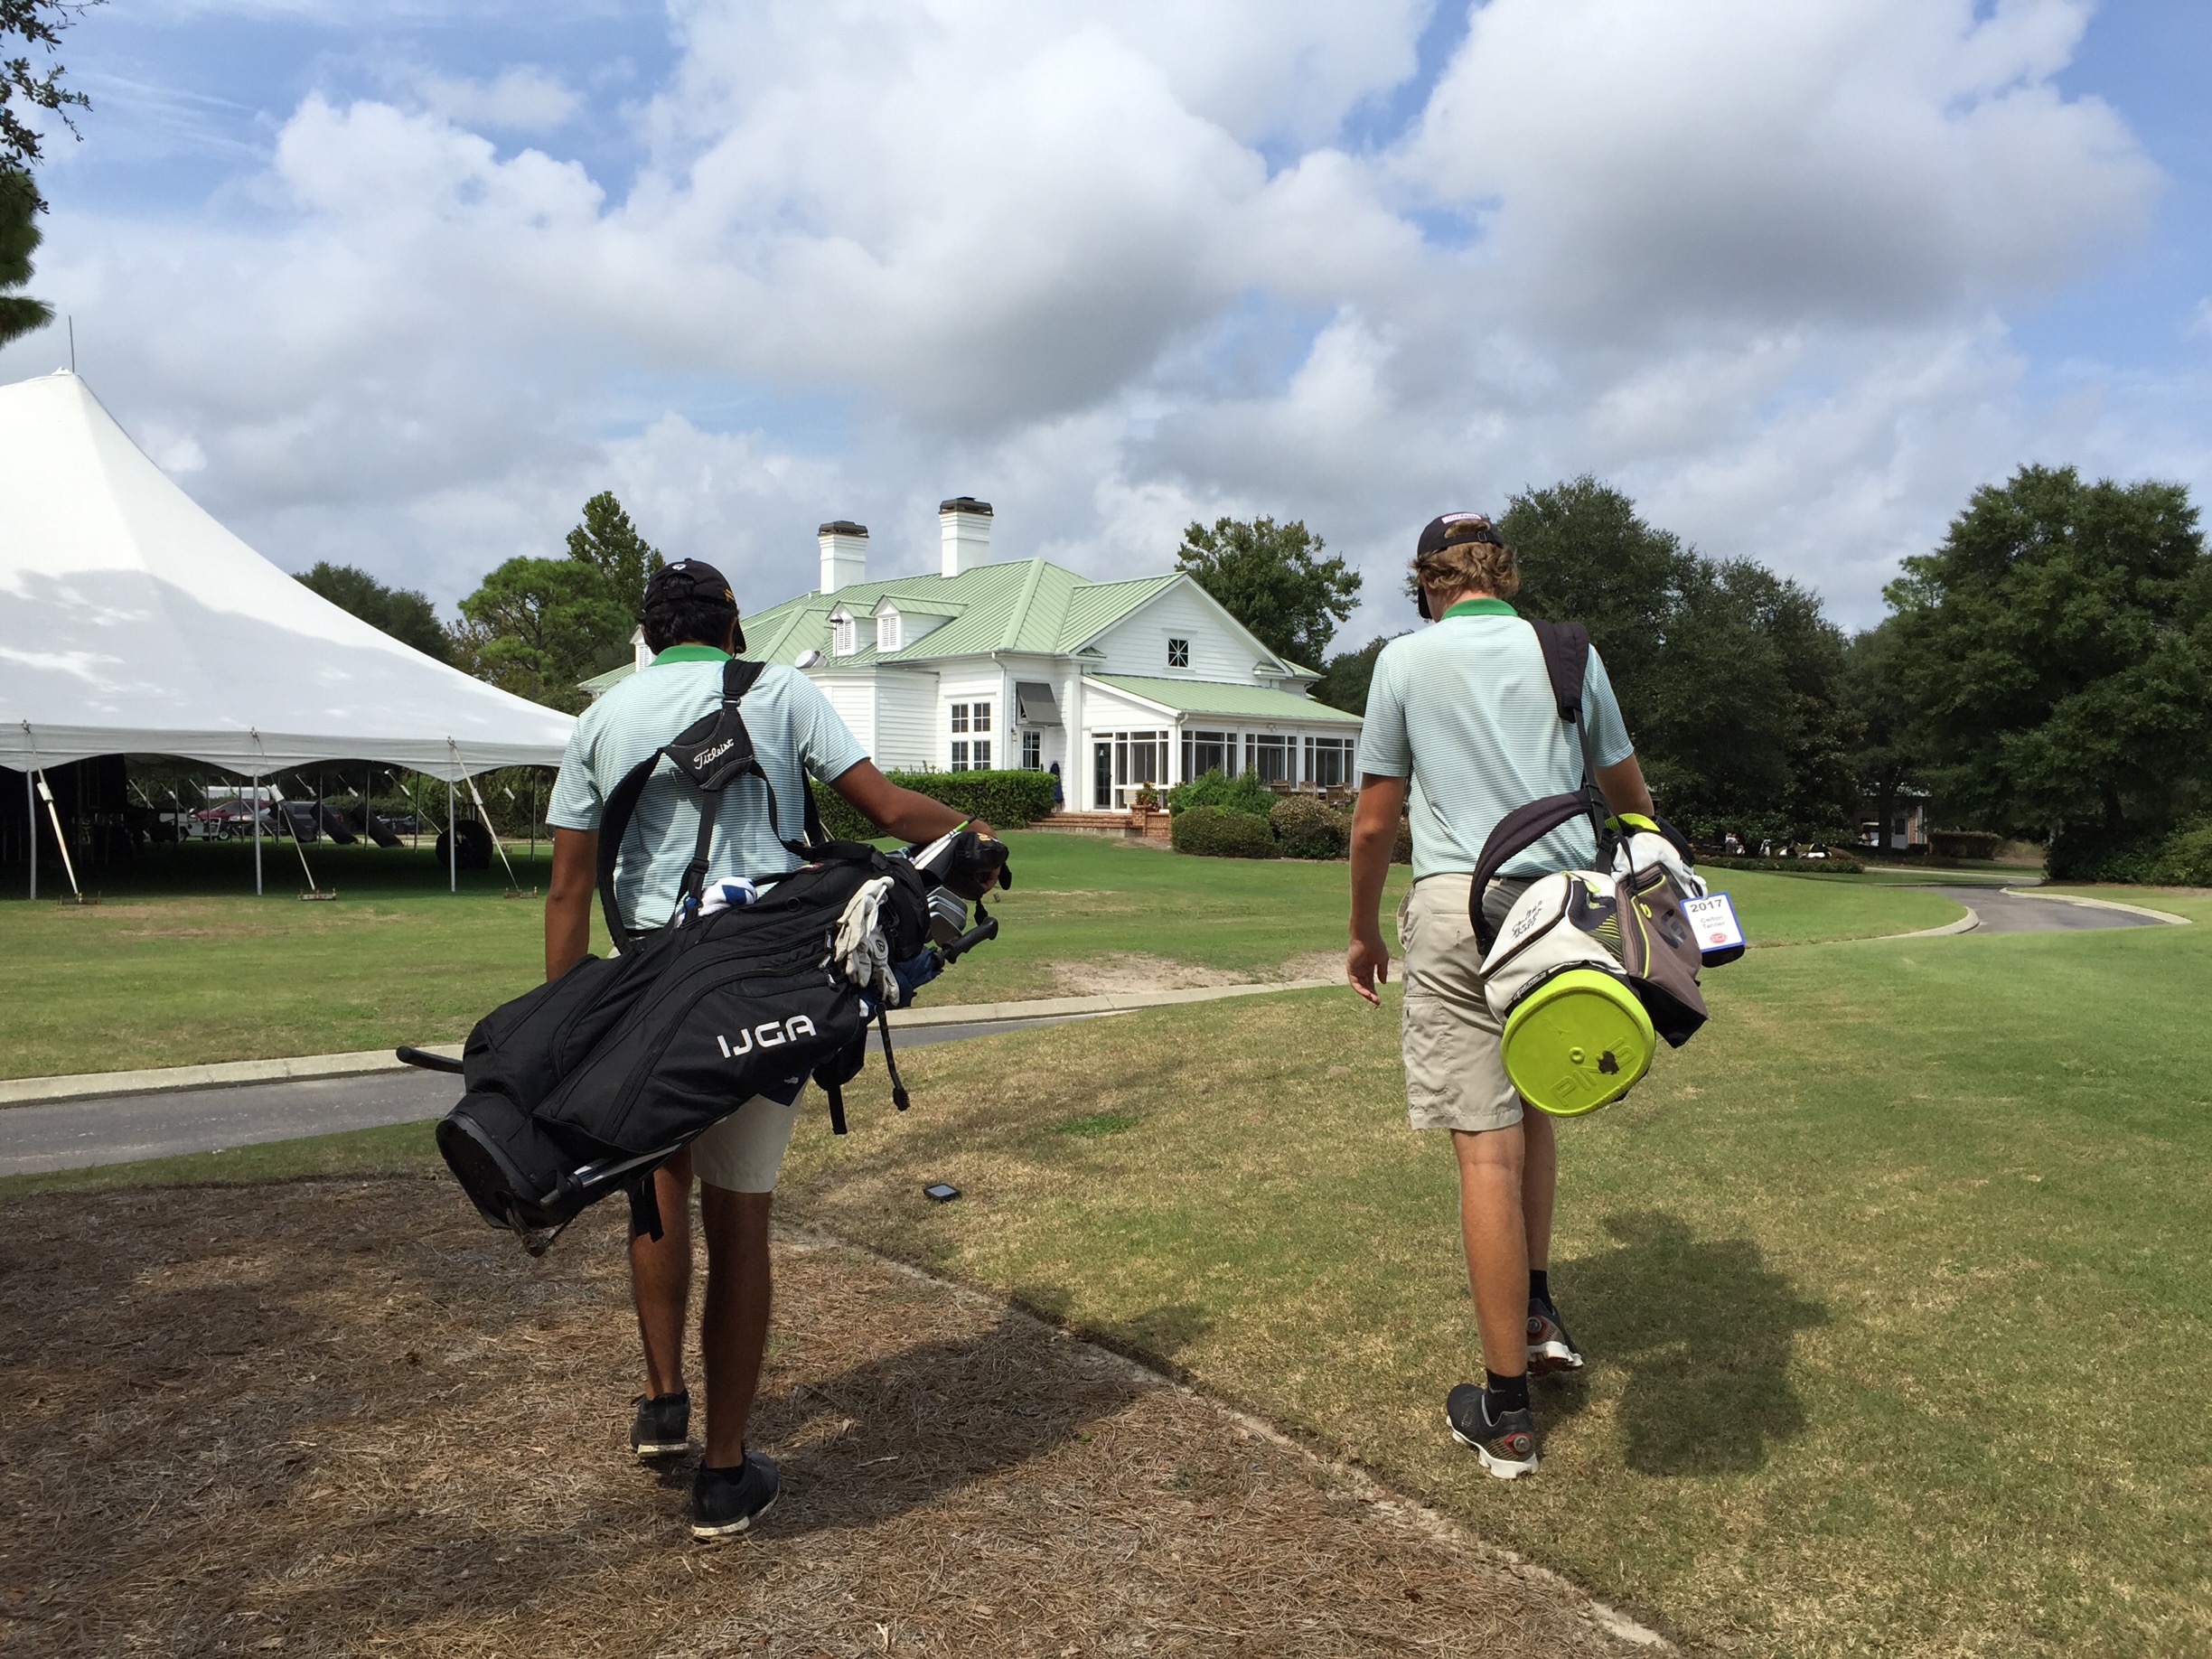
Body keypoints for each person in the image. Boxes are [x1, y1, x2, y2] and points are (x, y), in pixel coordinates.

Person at [543, 558, 985, 1540]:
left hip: (644, 990)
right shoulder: (780, 690)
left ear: (650, 635)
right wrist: (973, 828)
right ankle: (724, 1473)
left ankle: (663, 1403)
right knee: (739, 1222)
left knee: (657, 1193)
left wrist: (567, 1027)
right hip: (758, 988)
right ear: (731, 626)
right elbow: (883, 809)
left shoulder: (602, 718)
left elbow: (569, 889)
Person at [1345, 513, 1657, 1479]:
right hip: (1562, 908)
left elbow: (1374, 822)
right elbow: (1627, 787)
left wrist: (1361, 931)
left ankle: (1507, 1413)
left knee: (1485, 1146)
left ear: (1429, 582)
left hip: (1458, 904)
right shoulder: (1569, 653)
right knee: (1535, 1104)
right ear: (1502, 573)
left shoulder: (1406, 660)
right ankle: (1537, 1311)